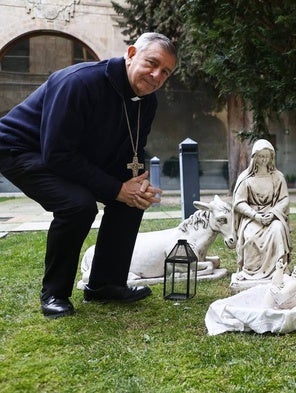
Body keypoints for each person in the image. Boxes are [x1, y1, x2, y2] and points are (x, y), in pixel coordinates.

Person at [0, 32, 177, 318]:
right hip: (20, 148)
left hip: (74, 153)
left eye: (165, 72)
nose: (157, 75)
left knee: (131, 201)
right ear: (131, 54)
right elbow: (56, 153)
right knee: (77, 205)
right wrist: (116, 188)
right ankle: (55, 293)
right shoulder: (79, 81)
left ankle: (104, 285)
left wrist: (137, 185)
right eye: (152, 63)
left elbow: (133, 149)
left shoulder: (147, 101)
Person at [232, 139, 291, 280]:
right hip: (252, 218)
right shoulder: (245, 178)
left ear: (271, 158)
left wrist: (272, 213)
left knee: (277, 230)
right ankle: (250, 270)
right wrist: (255, 216)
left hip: (272, 216)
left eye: (266, 156)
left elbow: (284, 200)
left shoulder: (277, 177)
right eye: (260, 156)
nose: (264, 159)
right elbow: (239, 203)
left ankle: (278, 270)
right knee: (251, 236)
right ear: (254, 158)